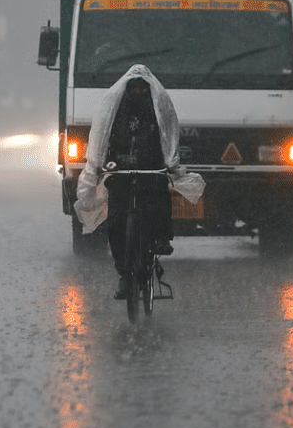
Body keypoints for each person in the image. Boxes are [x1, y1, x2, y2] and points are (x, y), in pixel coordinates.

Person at [74, 64, 205, 299]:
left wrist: (169, 166)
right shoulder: (116, 109)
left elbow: (168, 134)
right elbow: (102, 137)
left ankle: (162, 239)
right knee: (116, 221)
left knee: (158, 198)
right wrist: (99, 165)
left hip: (150, 169)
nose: (137, 92)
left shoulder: (158, 106)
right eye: (133, 88)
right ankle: (124, 275)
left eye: (140, 88)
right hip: (121, 170)